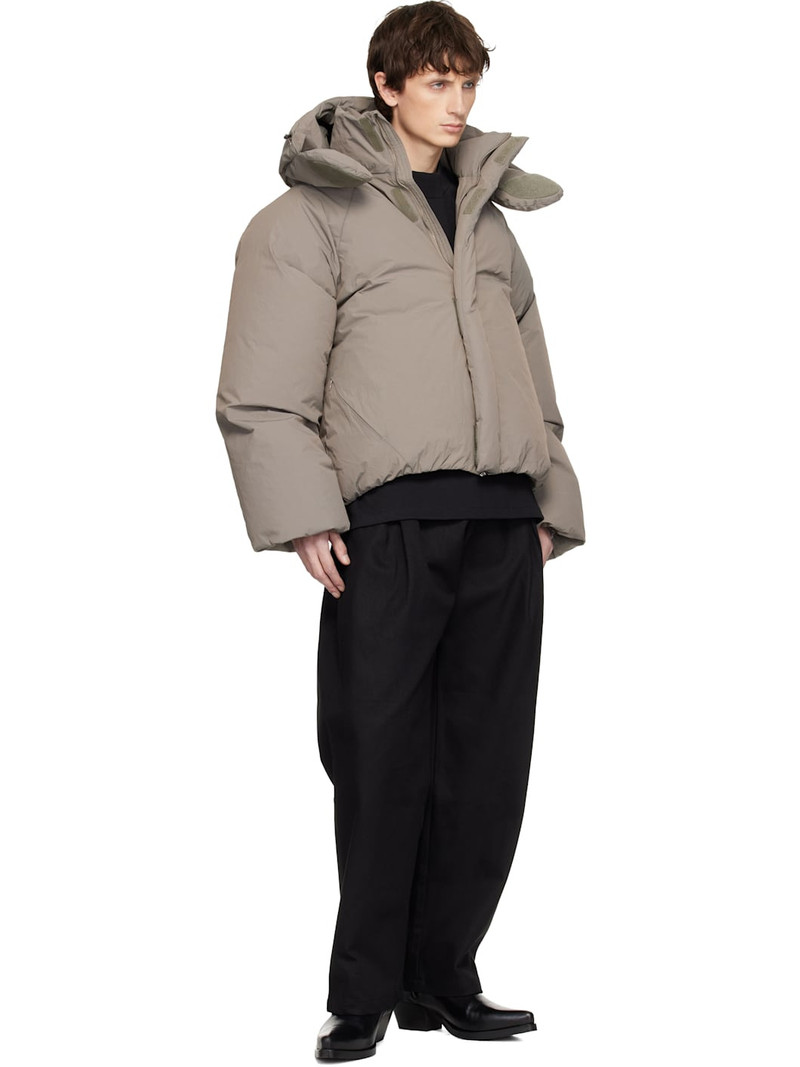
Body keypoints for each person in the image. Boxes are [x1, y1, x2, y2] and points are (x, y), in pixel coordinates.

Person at [216, 2, 586, 1059]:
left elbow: (534, 377)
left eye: (468, 82)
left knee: (486, 764)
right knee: (379, 760)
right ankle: (363, 991)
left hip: (502, 524)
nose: (458, 102)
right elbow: (261, 388)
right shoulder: (308, 217)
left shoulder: (489, 220)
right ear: (386, 85)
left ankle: (444, 977)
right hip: (385, 525)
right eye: (437, 82)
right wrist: (304, 517)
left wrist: (549, 498)